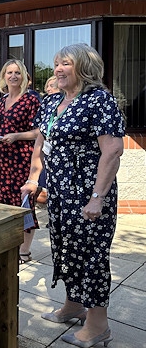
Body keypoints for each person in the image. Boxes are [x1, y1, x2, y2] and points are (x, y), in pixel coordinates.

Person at [23, 44, 124, 348]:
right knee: (66, 250)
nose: (57, 68)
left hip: (88, 194)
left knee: (91, 256)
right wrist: (34, 179)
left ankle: (98, 326)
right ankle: (73, 306)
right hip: (60, 194)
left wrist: (98, 197)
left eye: (65, 63)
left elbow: (113, 150)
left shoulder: (99, 100)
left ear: (84, 67)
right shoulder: (54, 100)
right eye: (56, 63)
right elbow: (42, 142)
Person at [0, 60, 40, 263]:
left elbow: (39, 133)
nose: (13, 76)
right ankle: (11, 244)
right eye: (9, 72)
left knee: (24, 202)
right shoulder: (2, 101)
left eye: (17, 72)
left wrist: (17, 136)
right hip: (4, 159)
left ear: (24, 76)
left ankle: (24, 250)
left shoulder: (31, 100)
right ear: (4, 77)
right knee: (6, 201)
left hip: (23, 158)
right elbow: (2, 126)